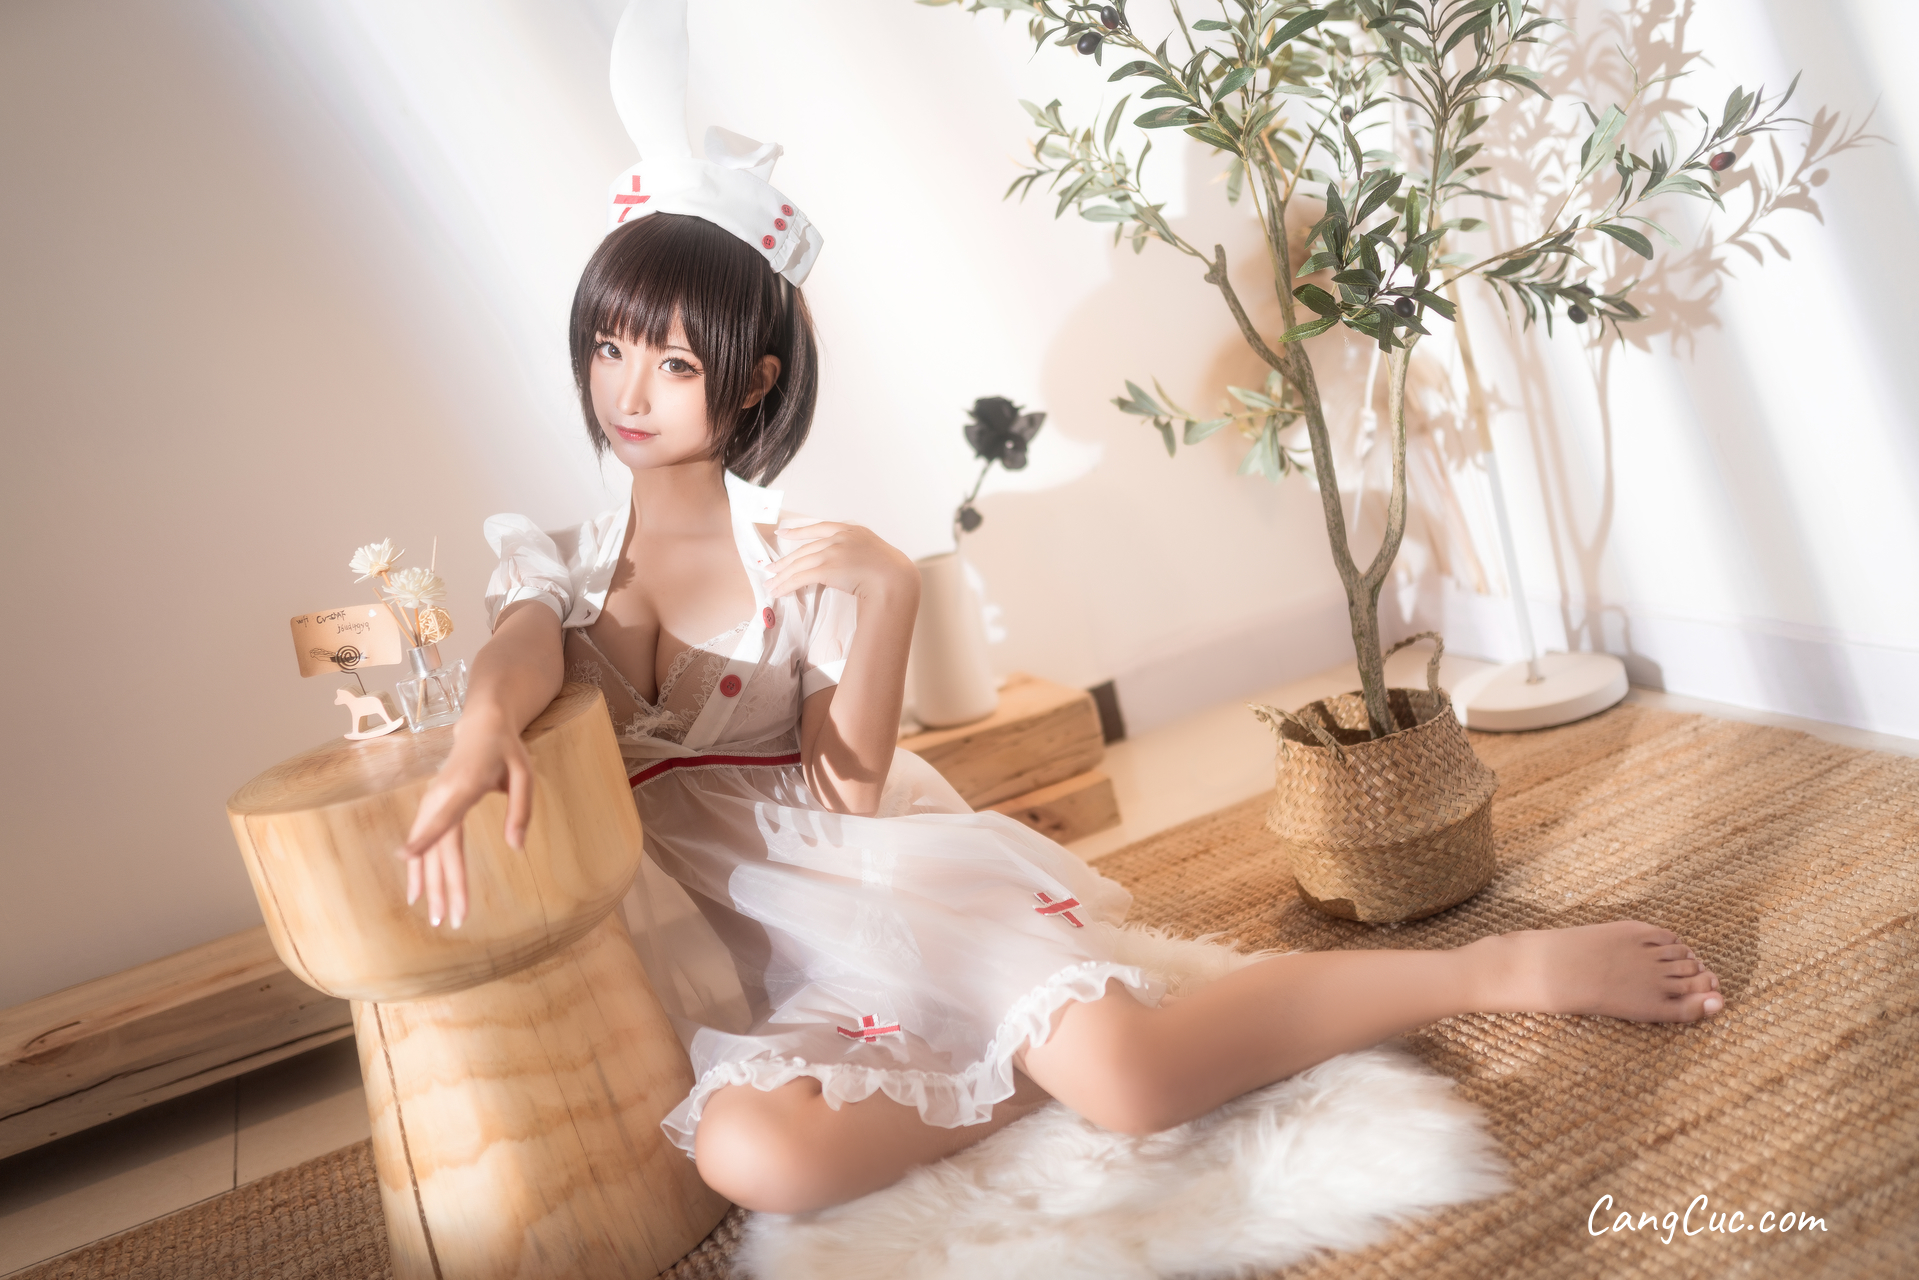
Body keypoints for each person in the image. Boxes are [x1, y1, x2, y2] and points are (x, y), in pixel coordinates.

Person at [394, 205, 1722, 1216]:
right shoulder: (556, 567)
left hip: (867, 887)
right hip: (743, 955)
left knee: (1136, 1086)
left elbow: (846, 793)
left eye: (673, 362)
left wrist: (890, 595)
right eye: (609, 347)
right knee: (755, 1156)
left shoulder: (801, 559)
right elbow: (519, 653)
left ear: (750, 382)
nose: (628, 390)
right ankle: (1027, 1067)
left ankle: (1492, 969)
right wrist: (480, 734)